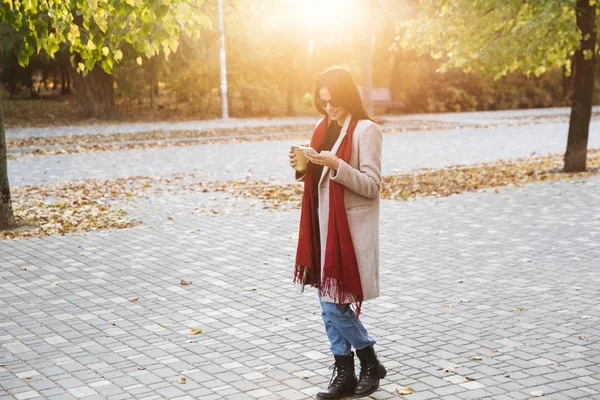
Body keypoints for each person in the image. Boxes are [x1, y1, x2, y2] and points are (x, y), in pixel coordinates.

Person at [288, 67, 386, 399]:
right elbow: (316, 178)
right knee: (326, 302)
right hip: (322, 228)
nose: (328, 109)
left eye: (333, 102)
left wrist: (336, 165)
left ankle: (369, 361)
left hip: (349, 231)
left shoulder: (367, 131)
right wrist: (302, 165)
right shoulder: (324, 127)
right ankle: (344, 372)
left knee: (333, 306)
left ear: (346, 96)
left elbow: (372, 186)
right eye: (323, 103)